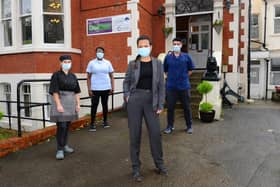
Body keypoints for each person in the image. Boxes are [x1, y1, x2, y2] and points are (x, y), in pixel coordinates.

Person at [123, 35, 167, 182]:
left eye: (145, 45)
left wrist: (161, 104)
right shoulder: (132, 64)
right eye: (140, 46)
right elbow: (126, 81)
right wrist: (127, 96)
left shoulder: (158, 63)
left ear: (151, 46)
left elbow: (161, 85)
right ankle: (136, 168)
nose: (143, 48)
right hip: (135, 100)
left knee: (155, 133)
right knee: (135, 135)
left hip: (151, 101)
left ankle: (159, 164)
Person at [49, 55, 81, 160]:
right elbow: (54, 91)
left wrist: (78, 104)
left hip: (71, 103)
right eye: (65, 61)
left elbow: (77, 91)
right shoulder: (56, 75)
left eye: (69, 61)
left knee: (67, 125)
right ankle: (59, 149)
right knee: (61, 126)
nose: (67, 63)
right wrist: (58, 104)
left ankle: (65, 145)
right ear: (61, 63)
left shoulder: (73, 76)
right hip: (61, 102)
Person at [163, 37, 195, 134]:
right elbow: (165, 70)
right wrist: (172, 77)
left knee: (186, 107)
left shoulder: (186, 57)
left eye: (178, 44)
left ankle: (189, 126)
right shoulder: (168, 57)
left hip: (184, 86)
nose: (176, 46)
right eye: (174, 44)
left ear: (181, 45)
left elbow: (191, 69)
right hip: (171, 87)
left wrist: (184, 76)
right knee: (170, 108)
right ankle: (170, 126)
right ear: (172, 45)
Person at [86, 47, 114, 131]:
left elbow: (112, 76)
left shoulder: (108, 63)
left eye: (101, 51)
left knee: (105, 105)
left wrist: (112, 87)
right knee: (94, 106)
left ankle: (105, 121)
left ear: (103, 53)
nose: (99, 53)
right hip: (95, 88)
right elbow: (88, 77)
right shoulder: (91, 63)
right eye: (98, 51)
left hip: (106, 87)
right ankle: (92, 123)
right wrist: (89, 89)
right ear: (95, 53)